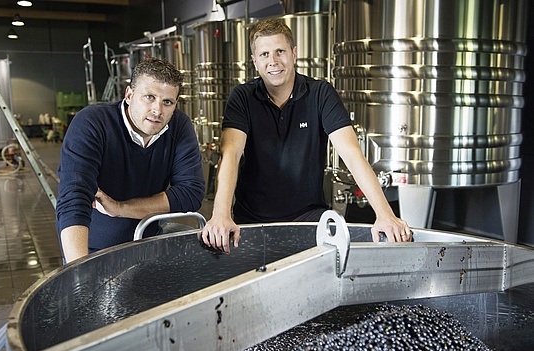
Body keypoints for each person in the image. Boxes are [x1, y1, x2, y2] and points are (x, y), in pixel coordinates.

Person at [201, 19, 412, 253]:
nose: (273, 61)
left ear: (294, 53)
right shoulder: (242, 97)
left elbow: (351, 154)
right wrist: (221, 214)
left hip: (308, 219)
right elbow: (231, 153)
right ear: (255, 62)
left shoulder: (320, 93)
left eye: (280, 51)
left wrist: (384, 214)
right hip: (252, 220)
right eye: (264, 54)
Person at [56, 58, 205, 263]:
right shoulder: (92, 123)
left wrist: (120, 208)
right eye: (149, 97)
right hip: (92, 252)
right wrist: (79, 273)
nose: (157, 110)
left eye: (167, 102)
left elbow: (191, 193)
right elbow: (74, 199)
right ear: (129, 94)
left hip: (147, 245)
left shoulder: (178, 125)